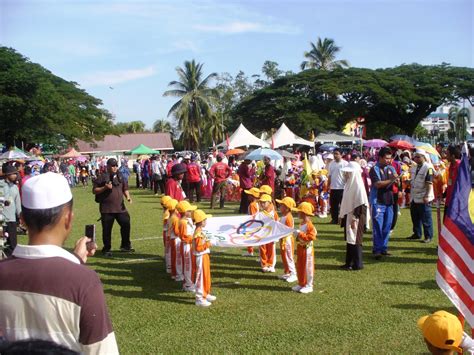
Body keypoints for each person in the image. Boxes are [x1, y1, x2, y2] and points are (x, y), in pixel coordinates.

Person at [0, 172, 119, 354]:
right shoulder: (84, 281)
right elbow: (101, 349)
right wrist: (76, 265)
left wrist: (76, 260)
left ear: (22, 220)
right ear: (69, 218)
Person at [92, 158, 133, 257]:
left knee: (126, 223)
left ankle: (125, 245)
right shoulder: (102, 177)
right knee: (107, 230)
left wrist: (128, 197)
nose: (114, 167)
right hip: (107, 209)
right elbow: (94, 190)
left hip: (120, 207)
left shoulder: (121, 176)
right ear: (108, 166)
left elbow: (125, 188)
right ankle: (106, 249)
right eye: (112, 165)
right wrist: (105, 187)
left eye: (116, 166)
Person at [339, 163, 369, 271]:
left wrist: (355, 218)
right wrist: (342, 215)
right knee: (350, 239)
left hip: (356, 216)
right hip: (350, 215)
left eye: (348, 172)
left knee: (356, 239)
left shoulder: (358, 186)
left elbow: (361, 204)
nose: (346, 174)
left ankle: (357, 263)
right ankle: (349, 262)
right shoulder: (349, 185)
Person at [369, 147, 398, 259]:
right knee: (378, 227)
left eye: (390, 158)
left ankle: (384, 248)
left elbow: (395, 183)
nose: (389, 160)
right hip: (378, 201)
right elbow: (377, 184)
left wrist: (397, 181)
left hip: (389, 201)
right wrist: (391, 180)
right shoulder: (374, 169)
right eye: (386, 158)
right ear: (380, 158)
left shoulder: (391, 168)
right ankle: (377, 249)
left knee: (387, 227)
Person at [407, 150, 434, 243]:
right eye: (415, 157)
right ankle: (417, 233)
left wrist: (427, 195)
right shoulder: (414, 167)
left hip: (424, 196)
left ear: (424, 157)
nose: (416, 158)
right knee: (415, 217)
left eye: (418, 157)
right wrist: (409, 181)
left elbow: (429, 183)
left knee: (426, 218)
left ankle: (428, 236)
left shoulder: (428, 167)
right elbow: (414, 179)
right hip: (414, 196)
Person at [291, 202, 317, 294]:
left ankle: (309, 285)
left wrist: (300, 234)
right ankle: (301, 283)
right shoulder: (302, 223)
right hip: (301, 248)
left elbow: (311, 237)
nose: (297, 213)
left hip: (307, 249)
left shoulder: (310, 225)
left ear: (304, 213)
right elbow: (301, 237)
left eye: (299, 212)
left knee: (308, 267)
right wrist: (297, 236)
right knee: (300, 266)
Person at [192, 209, 216, 307]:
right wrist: (208, 244)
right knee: (201, 277)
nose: (206, 222)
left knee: (206, 275)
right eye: (205, 220)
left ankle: (206, 293)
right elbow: (198, 248)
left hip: (204, 256)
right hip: (200, 256)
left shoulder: (200, 231)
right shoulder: (198, 234)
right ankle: (200, 298)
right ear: (201, 222)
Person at [275, 196, 298, 283]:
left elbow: (288, 230)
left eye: (282, 205)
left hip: (287, 240)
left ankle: (293, 273)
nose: (280, 206)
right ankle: (287, 272)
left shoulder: (288, 217)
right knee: (284, 256)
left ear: (287, 208)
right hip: (283, 239)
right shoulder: (284, 216)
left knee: (289, 256)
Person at [177, 200, 197, 292]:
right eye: (189, 211)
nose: (191, 212)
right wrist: (194, 238)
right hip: (187, 246)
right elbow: (184, 237)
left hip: (190, 245)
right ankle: (188, 284)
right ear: (185, 212)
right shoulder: (183, 223)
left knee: (191, 265)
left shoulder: (186, 220)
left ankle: (190, 282)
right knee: (188, 266)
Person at [1, 165, 21, 254]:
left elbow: (18, 203)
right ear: (7, 175)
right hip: (1, 219)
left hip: (12, 219)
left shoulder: (15, 187)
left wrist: (20, 215)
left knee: (13, 244)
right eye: (13, 174)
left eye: (15, 173)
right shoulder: (1, 185)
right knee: (2, 243)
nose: (15, 175)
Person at [258, 193, 278, 273]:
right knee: (262, 249)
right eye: (261, 202)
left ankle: (271, 264)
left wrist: (276, 236)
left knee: (271, 250)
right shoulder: (261, 213)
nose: (262, 204)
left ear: (269, 202)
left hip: (271, 235)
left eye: (264, 202)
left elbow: (277, 224)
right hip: (262, 235)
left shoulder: (274, 213)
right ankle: (264, 264)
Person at [328, 149, 348, 224]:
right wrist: (328, 186)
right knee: (333, 205)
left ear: (341, 155)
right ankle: (334, 219)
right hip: (333, 188)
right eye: (334, 154)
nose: (335, 155)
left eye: (337, 154)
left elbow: (347, 176)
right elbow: (329, 176)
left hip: (342, 188)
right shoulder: (331, 164)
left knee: (343, 205)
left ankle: (344, 220)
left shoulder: (345, 164)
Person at [166, 198, 182, 281]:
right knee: (176, 257)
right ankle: (176, 274)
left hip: (172, 238)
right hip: (175, 239)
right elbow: (176, 231)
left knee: (173, 256)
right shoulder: (175, 219)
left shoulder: (170, 217)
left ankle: (173, 272)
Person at [241, 187, 260, 257]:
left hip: (252, 224)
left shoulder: (252, 205)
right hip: (255, 223)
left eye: (249, 195)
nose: (248, 196)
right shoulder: (256, 203)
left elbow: (252, 216)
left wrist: (249, 225)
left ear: (253, 196)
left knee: (249, 238)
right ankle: (250, 251)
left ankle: (250, 251)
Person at [161, 195, 172, 274]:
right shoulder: (167, 213)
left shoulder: (166, 212)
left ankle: (168, 263)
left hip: (166, 232)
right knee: (168, 249)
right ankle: (169, 266)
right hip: (168, 233)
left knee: (167, 249)